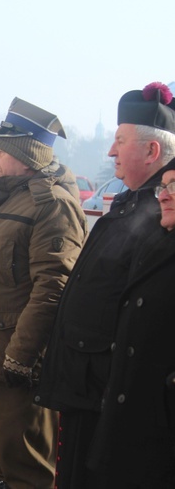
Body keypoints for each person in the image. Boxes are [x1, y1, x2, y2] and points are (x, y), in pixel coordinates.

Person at [36, 82, 175, 488]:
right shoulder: (132, 201)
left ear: (152, 151)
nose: (111, 152)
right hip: (84, 384)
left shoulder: (159, 217)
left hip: (106, 392)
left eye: (120, 142)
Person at [0, 98, 87, 489]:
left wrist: (20, 356)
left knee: (26, 470)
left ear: (25, 155)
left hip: (16, 364)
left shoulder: (51, 206)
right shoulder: (2, 196)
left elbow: (53, 287)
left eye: (1, 149)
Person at [83, 168, 175, 487]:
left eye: (174, 186)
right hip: (135, 427)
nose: (163, 194)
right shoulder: (156, 244)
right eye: (163, 185)